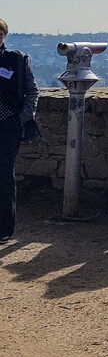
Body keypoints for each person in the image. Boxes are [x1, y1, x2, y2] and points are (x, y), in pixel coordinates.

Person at [0, 18, 38, 244]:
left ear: (4, 36)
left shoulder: (16, 60)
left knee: (3, 174)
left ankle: (4, 228)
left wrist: (22, 118)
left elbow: (32, 91)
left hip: (7, 125)